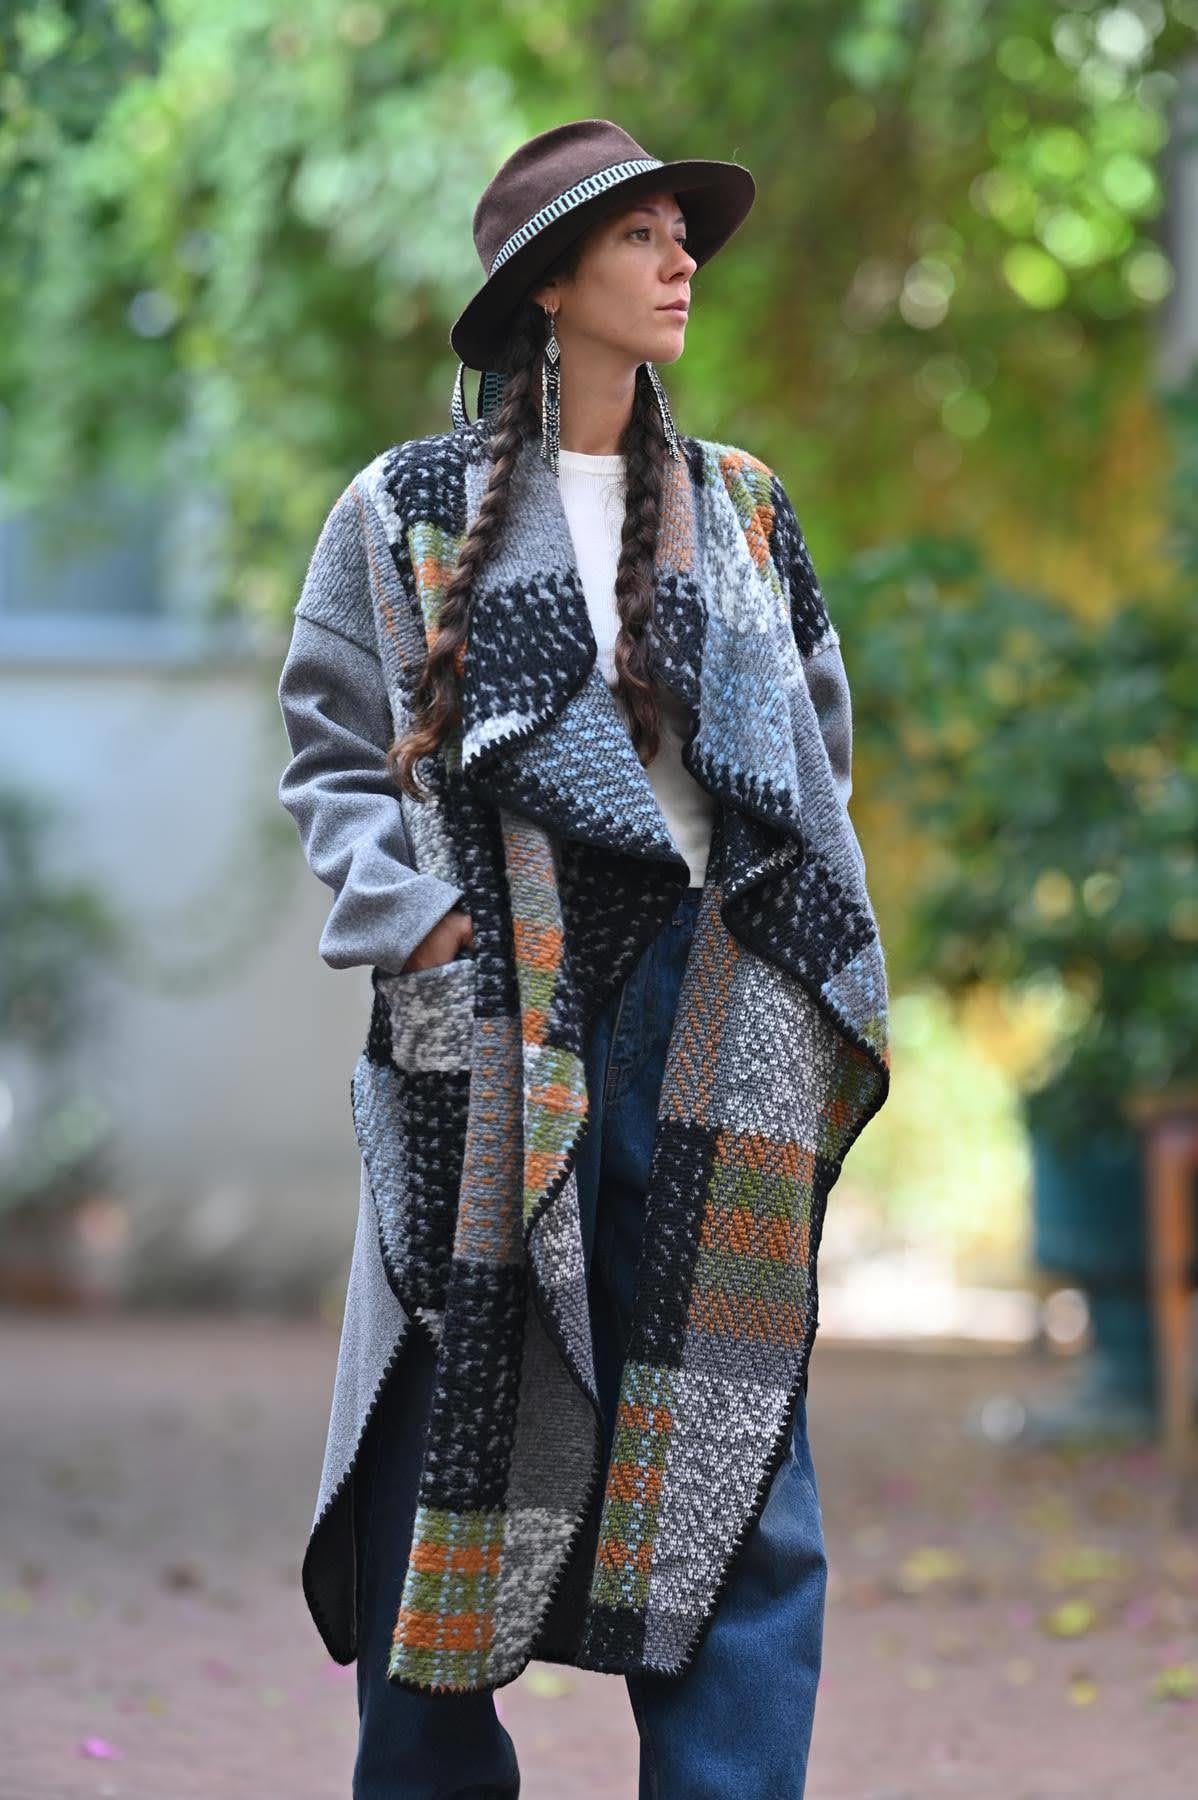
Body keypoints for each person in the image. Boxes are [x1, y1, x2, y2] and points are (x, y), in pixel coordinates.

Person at [278, 118, 889, 1799]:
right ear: (548, 284)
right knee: (442, 1442)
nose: (683, 261)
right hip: (497, 1022)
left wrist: (784, 954)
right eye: (642, 236)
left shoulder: (743, 507)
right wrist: (423, 921)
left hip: (718, 1019)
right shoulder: (405, 509)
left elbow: (812, 761)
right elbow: (331, 753)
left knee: (734, 1457)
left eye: (685, 234)